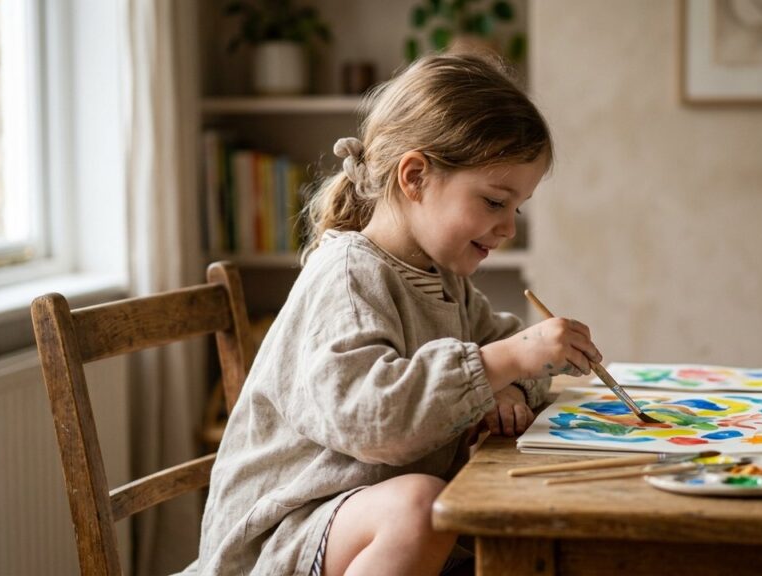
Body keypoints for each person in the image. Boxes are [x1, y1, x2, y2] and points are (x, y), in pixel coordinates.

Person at [197, 53, 602, 576]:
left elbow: (502, 351)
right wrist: (508, 361)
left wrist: (509, 385)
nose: (508, 229)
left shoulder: (442, 278)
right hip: (281, 536)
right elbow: (375, 420)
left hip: (357, 527)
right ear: (415, 177)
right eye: (494, 201)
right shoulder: (347, 276)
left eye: (516, 208)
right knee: (422, 508)